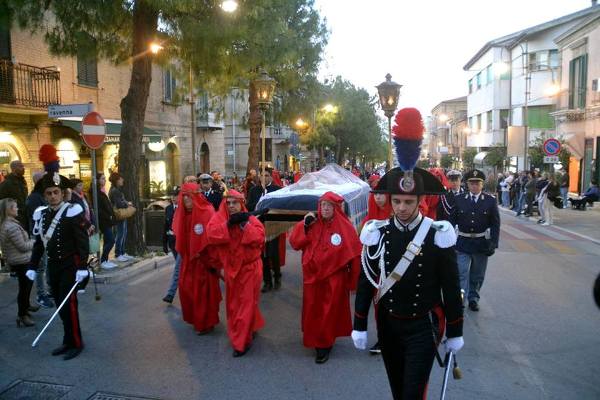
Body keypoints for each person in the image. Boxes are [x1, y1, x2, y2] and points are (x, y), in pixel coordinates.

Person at [353, 167, 464, 399]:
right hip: (388, 323)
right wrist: (360, 324)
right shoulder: (378, 233)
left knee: (412, 393)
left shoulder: (437, 235)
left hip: (423, 325)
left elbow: (451, 288)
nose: (401, 208)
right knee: (397, 387)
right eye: (397, 201)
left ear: (420, 200)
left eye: (408, 201)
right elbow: (366, 281)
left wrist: (455, 330)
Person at [289, 192, 361, 364]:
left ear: (336, 208)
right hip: (312, 277)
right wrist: (304, 226)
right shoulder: (311, 223)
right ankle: (317, 338)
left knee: (328, 311)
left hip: (334, 278)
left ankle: (324, 344)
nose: (325, 208)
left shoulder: (345, 227)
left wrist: (353, 282)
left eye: (329, 205)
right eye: (323, 205)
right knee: (313, 309)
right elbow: (295, 243)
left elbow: (355, 256)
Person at [27, 169, 90, 360]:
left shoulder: (72, 211)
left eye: (56, 192)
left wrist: (82, 267)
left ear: (62, 193)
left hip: (70, 266)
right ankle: (67, 340)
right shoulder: (42, 214)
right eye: (49, 193)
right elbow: (39, 244)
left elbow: (82, 242)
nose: (53, 196)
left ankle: (76, 343)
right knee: (60, 306)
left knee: (69, 305)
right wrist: (32, 265)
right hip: (53, 266)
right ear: (44, 196)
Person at [207, 190, 265, 357]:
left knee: (245, 305)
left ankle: (241, 342)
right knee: (234, 305)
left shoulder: (250, 219)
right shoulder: (220, 218)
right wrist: (227, 225)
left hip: (249, 269)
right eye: (229, 203)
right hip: (232, 270)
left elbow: (259, 239)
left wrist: (244, 225)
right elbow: (211, 234)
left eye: (234, 203)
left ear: (241, 204)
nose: (231, 206)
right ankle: (247, 329)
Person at [172, 182, 221, 333]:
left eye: (189, 197)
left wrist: (208, 255)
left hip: (203, 261)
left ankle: (205, 323)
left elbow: (214, 237)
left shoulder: (207, 211)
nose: (186, 200)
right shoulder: (183, 215)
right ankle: (196, 319)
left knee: (203, 293)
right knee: (186, 288)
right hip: (189, 261)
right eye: (183, 197)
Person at [449, 169, 500, 312]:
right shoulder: (459, 199)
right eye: (471, 183)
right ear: (467, 184)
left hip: (481, 243)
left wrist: (493, 243)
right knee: (461, 273)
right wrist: (447, 239)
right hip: (463, 242)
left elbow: (495, 223)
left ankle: (473, 299)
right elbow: (451, 221)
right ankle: (461, 298)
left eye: (477, 183)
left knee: (477, 275)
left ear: (482, 184)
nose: (474, 186)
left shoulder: (490, 201)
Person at [0, 198, 37, 327]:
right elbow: (23, 246)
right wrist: (34, 241)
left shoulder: (9, 224)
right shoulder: (11, 227)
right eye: (15, 207)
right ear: (9, 210)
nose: (17, 209)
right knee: (24, 289)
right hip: (21, 262)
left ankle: (26, 307)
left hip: (20, 260)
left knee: (26, 286)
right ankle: (22, 315)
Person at [247, 168, 285, 292]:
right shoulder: (254, 190)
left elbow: (281, 207)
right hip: (259, 225)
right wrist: (260, 203)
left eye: (267, 175)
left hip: (273, 224)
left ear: (271, 177)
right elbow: (249, 206)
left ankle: (277, 277)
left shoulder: (277, 190)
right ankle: (267, 281)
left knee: (273, 253)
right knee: (262, 254)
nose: (264, 178)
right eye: (262, 175)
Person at [25, 171, 54, 308]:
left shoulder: (41, 195)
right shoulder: (35, 198)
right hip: (39, 236)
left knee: (46, 264)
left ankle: (48, 290)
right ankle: (41, 294)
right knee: (40, 267)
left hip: (46, 235)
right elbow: (40, 216)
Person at [91, 173, 117, 269]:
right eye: (102, 179)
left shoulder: (102, 190)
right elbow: (98, 208)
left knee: (107, 240)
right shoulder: (96, 192)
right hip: (103, 220)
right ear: (97, 180)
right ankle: (102, 260)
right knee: (111, 240)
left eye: (105, 179)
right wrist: (108, 216)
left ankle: (105, 260)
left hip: (107, 219)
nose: (104, 180)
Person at [108, 172, 133, 263]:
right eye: (120, 179)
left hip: (120, 215)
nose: (122, 180)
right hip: (118, 215)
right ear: (116, 180)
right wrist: (127, 203)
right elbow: (119, 204)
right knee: (120, 234)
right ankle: (118, 254)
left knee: (123, 233)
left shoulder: (116, 189)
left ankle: (122, 252)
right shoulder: (115, 191)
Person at [162, 187, 181, 304]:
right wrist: (164, 243)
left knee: (178, 269)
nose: (173, 198)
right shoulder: (168, 208)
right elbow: (165, 226)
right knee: (180, 268)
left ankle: (170, 293)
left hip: (182, 243)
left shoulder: (184, 209)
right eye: (172, 196)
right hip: (172, 242)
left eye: (176, 195)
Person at [0, 160, 28, 228]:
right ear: (14, 169)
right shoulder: (6, 184)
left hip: (23, 217)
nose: (23, 168)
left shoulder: (22, 182)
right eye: (21, 166)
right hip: (13, 219)